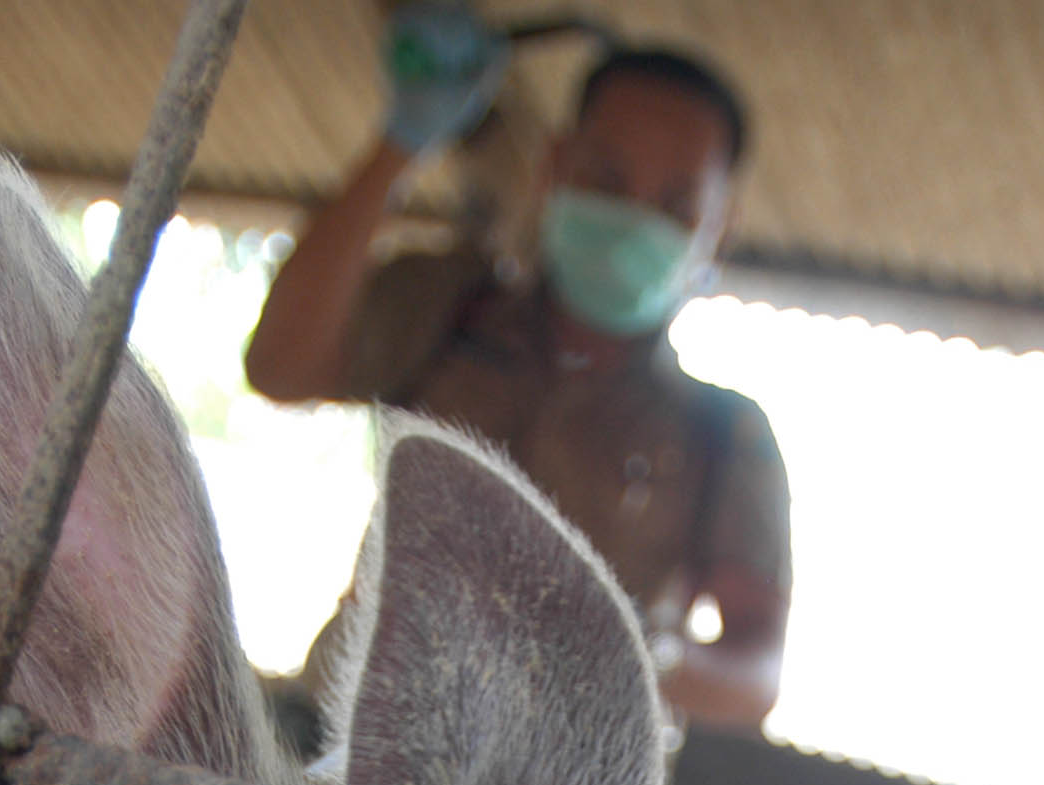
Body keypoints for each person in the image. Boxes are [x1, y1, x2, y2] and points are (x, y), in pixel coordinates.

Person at [246, 12, 789, 732]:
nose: (632, 216)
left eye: (675, 204)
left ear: (718, 229)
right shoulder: (451, 306)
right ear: (555, 166)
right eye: (606, 177)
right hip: (345, 734)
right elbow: (279, 366)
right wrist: (399, 145)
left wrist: (636, 657)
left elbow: (755, 680)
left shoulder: (722, 432)